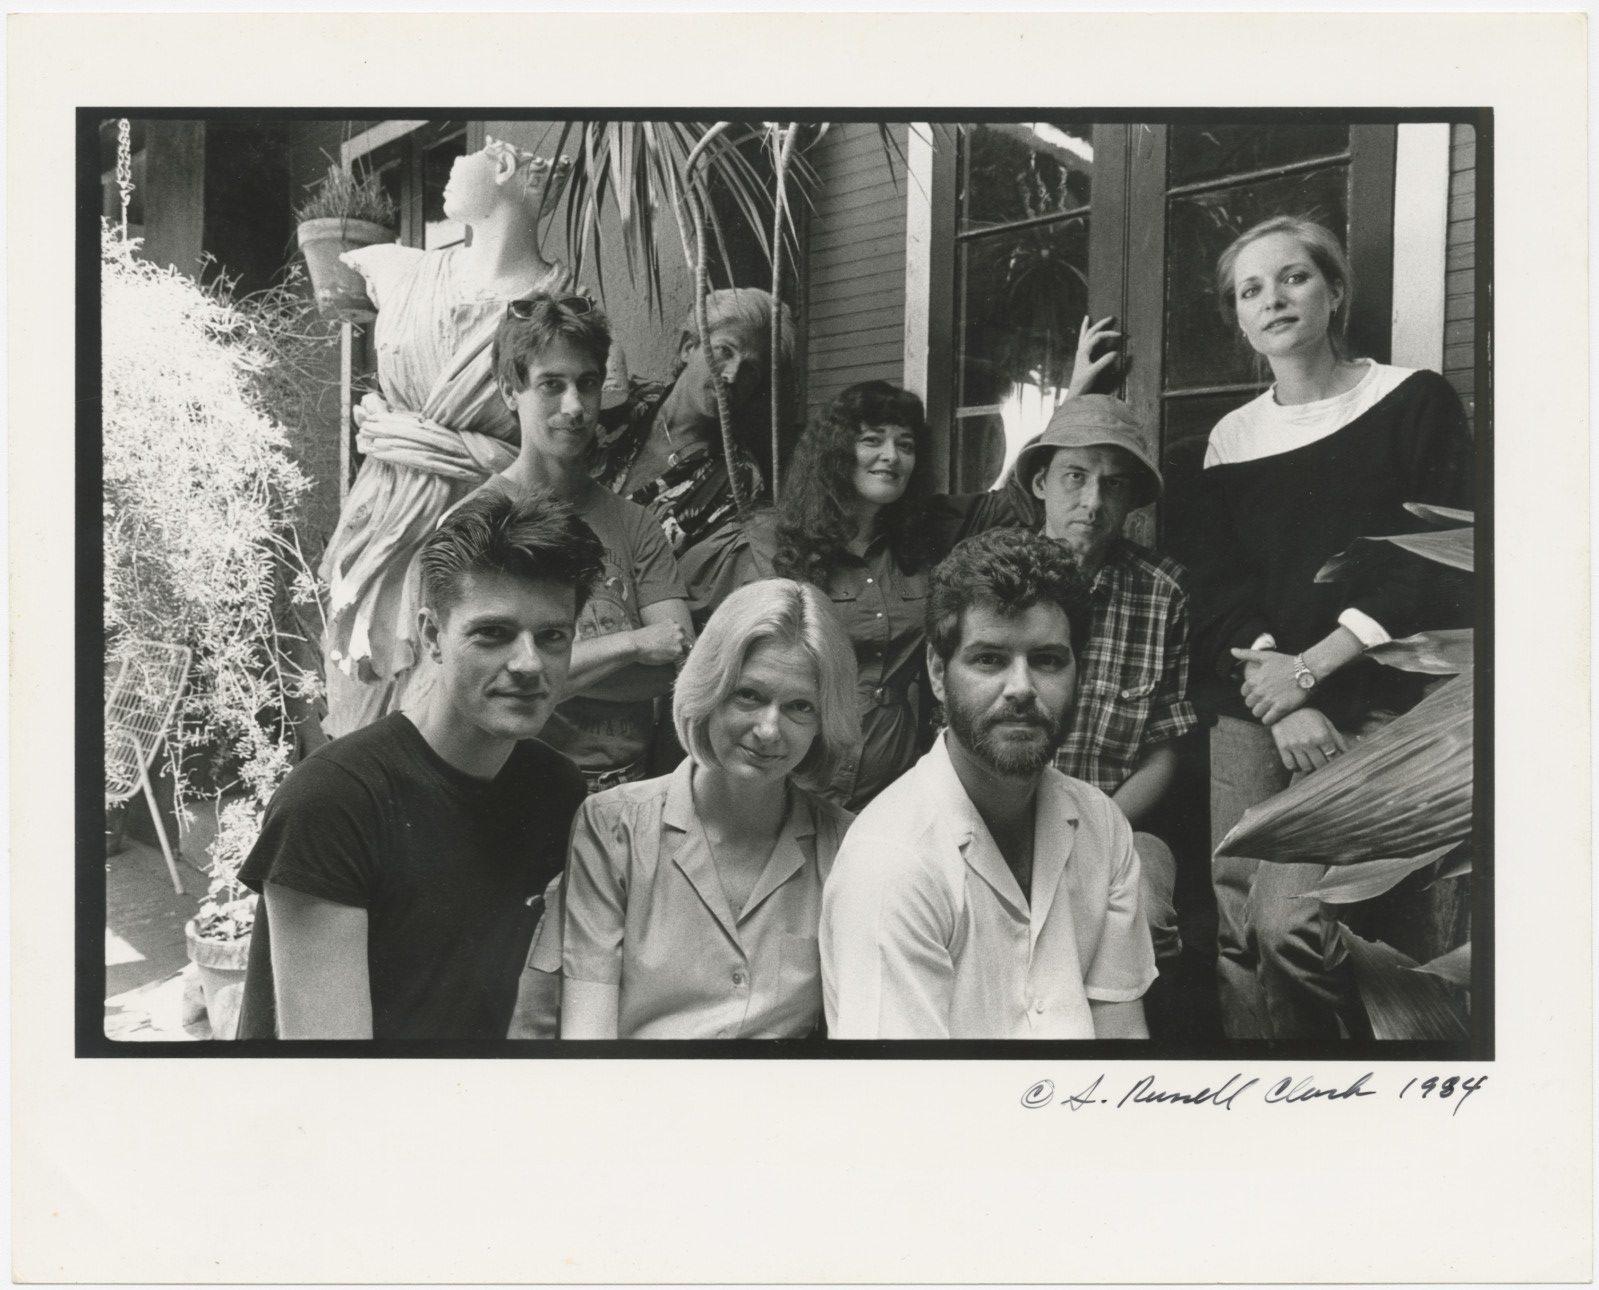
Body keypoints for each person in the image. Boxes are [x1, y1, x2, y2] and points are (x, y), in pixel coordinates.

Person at [1190, 215, 1473, 1040]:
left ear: (1334, 289)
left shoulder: (1413, 400)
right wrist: (1280, 691)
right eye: (1250, 289)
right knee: (1240, 931)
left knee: (1297, 929)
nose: (1272, 299)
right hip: (1254, 699)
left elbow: (1430, 561)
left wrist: (1310, 673)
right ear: (1238, 319)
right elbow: (1218, 587)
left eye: (1292, 277)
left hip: (1375, 698)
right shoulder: (1229, 438)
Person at [236, 489, 606, 1040]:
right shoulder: (333, 801)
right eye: (493, 633)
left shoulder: (555, 787)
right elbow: (327, 1072)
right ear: (433, 636)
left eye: (552, 636)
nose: (529, 664)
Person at [319, 135, 615, 739]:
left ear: (503, 165)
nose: (448, 172)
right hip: (383, 525)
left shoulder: (561, 311)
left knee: (457, 711)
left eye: (462, 159)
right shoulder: (399, 269)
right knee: (362, 718)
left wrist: (402, 431)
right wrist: (396, 433)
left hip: (493, 543)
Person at [821, 529, 1157, 1039]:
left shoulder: (1101, 825)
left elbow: (1122, 1039)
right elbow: (901, 1104)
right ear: (937, 672)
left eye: (1047, 660)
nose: (1021, 689)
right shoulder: (890, 861)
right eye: (990, 659)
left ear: (1078, 673)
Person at [681, 380, 1042, 809]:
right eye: (872, 441)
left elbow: (1023, 499)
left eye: (905, 445)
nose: (891, 456)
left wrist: (1073, 395)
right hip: (789, 777)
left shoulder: (929, 534)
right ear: (836, 452)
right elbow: (692, 641)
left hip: (889, 785)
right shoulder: (766, 541)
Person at [554, 578, 858, 1039]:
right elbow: (587, 1035)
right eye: (749, 695)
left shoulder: (848, 847)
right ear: (710, 690)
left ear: (823, 722)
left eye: (800, 706)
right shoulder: (613, 826)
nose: (769, 730)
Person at [475, 293, 695, 793]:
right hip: (518, 793)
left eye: (587, 384)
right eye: (551, 385)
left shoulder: (635, 524)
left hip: (632, 793)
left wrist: (552, 676)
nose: (574, 408)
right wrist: (636, 644)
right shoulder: (483, 521)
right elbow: (491, 681)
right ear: (511, 391)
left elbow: (679, 666)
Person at [1011, 395, 1199, 965]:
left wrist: (1095, 831)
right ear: (1042, 483)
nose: (1093, 502)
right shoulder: (990, 576)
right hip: (1000, 817)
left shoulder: (1164, 592)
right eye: (1076, 477)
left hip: (1121, 824)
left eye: (1114, 486)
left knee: (1138, 909)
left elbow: (1162, 751)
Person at [591, 287, 796, 555]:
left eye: (751, 369)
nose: (732, 375)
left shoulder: (737, 478)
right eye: (725, 351)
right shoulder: (621, 403)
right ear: (688, 347)